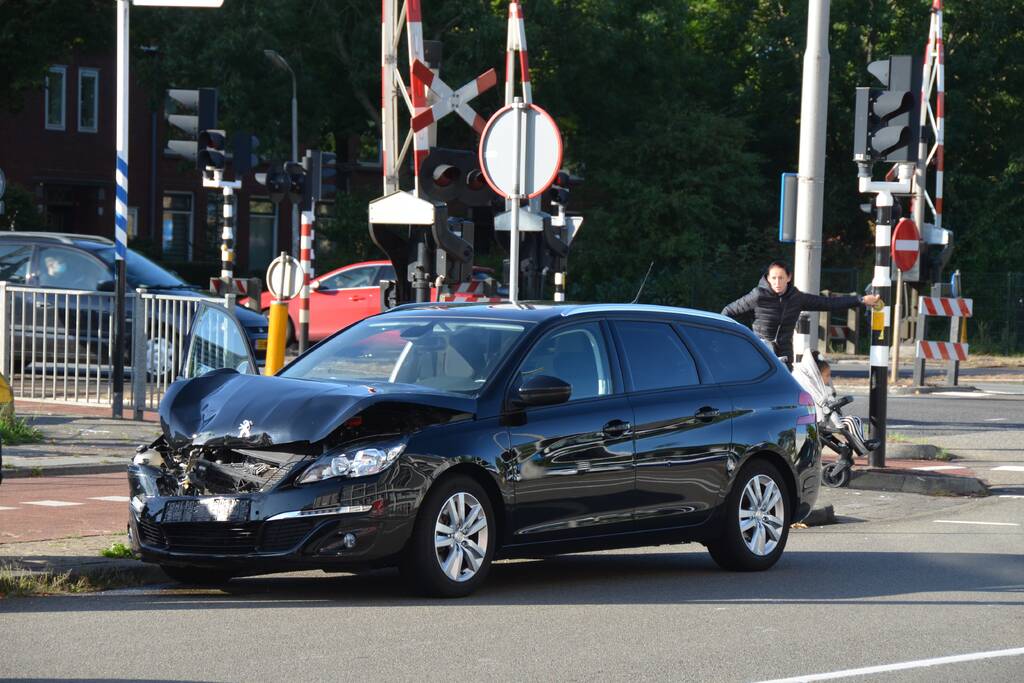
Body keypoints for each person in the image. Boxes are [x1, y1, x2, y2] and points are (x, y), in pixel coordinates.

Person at [721, 260, 880, 364]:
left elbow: (828, 303)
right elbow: (727, 312)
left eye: (781, 278)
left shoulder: (796, 297)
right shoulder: (757, 295)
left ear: (788, 277)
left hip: (785, 354)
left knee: (784, 396)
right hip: (760, 354)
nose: (778, 282)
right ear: (768, 278)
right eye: (774, 278)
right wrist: (742, 340)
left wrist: (860, 300)